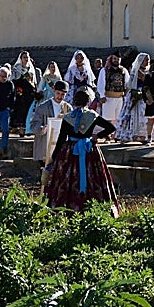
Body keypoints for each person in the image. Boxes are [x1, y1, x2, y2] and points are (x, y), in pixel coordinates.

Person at [44, 88, 121, 216]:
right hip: (89, 150)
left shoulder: (68, 117)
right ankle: (94, 209)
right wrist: (97, 136)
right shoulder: (92, 115)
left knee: (67, 179)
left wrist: (54, 157)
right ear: (88, 101)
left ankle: (65, 210)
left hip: (70, 152)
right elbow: (111, 127)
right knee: (94, 178)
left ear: (74, 101)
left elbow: (61, 140)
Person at [32, 79, 72, 167]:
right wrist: (42, 129)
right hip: (46, 143)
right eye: (58, 93)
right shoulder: (43, 107)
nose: (60, 97)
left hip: (62, 143)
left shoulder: (68, 108)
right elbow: (34, 124)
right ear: (54, 91)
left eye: (62, 95)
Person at [118, 53, 151, 144]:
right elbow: (130, 84)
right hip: (135, 93)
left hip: (145, 94)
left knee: (143, 115)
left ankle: (143, 136)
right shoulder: (136, 71)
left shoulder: (148, 71)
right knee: (131, 114)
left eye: (148, 60)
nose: (147, 62)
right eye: (145, 60)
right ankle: (128, 135)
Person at [95, 53, 130, 141]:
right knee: (107, 118)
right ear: (111, 59)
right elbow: (101, 83)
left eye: (117, 59)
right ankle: (107, 135)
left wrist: (126, 94)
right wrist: (102, 95)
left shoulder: (123, 70)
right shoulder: (105, 70)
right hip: (108, 97)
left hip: (120, 98)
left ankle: (117, 135)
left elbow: (127, 83)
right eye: (114, 59)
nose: (116, 60)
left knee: (119, 118)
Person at [11, 51, 41, 137]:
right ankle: (21, 129)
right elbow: (14, 80)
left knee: (29, 110)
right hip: (21, 91)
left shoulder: (31, 68)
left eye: (27, 57)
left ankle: (28, 128)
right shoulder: (17, 68)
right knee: (21, 110)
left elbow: (34, 81)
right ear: (21, 58)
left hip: (29, 92)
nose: (26, 59)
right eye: (24, 57)